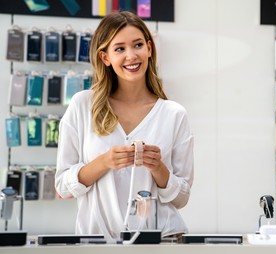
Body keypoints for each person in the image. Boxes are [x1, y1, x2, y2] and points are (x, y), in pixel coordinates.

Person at [55, 11, 194, 241]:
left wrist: (158, 167)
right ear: (105, 57)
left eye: (138, 45)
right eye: (119, 48)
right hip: (97, 245)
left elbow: (181, 198)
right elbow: (63, 187)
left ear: (149, 48)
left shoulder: (174, 114)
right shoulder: (82, 105)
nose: (131, 56)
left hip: (162, 242)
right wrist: (104, 162)